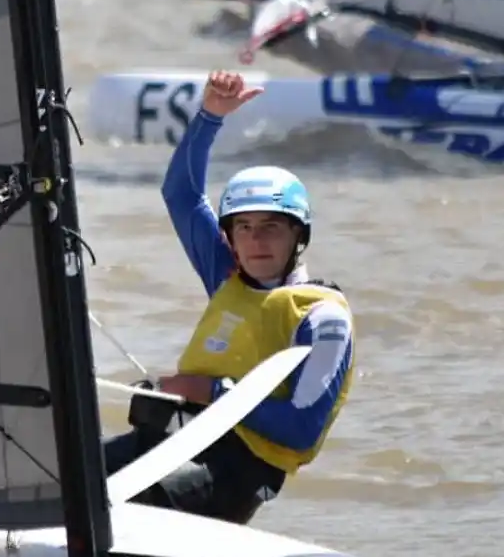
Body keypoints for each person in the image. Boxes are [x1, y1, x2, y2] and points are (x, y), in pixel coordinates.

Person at [103, 71, 355, 525]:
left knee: (111, 505)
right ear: (231, 238)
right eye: (244, 228)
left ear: (299, 237)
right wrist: (210, 115)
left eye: (271, 227)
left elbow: (301, 430)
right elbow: (180, 194)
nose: (257, 241)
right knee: (63, 472)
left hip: (236, 474)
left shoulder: (322, 317)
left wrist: (211, 391)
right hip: (174, 443)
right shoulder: (226, 276)